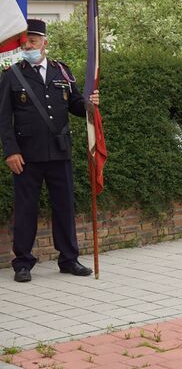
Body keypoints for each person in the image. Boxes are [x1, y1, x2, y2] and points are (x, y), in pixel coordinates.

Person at [0, 19, 100, 282]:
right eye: (25, 42)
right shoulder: (12, 75)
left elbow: (76, 106)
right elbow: (3, 118)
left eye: (33, 41)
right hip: (26, 155)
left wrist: (90, 103)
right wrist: (10, 151)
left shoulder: (62, 72)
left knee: (64, 206)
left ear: (45, 42)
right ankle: (22, 262)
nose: (28, 46)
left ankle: (68, 259)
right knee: (25, 209)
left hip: (59, 152)